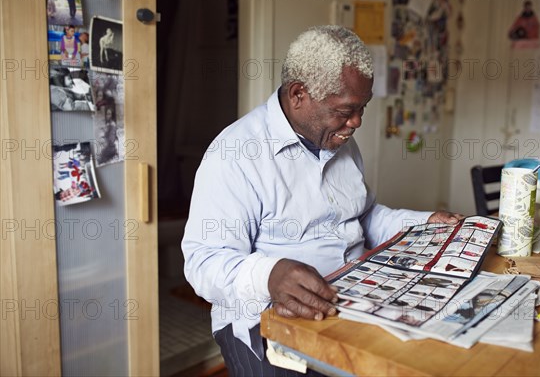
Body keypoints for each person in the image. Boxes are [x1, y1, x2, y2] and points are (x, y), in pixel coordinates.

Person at [181, 25, 461, 375]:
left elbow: (363, 216)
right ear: (298, 94)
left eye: (363, 108)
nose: (356, 122)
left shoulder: (338, 140)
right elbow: (202, 263)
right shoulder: (235, 153)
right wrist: (269, 276)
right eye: (345, 110)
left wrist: (421, 223)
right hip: (268, 321)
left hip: (352, 299)